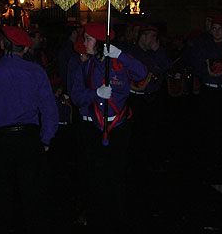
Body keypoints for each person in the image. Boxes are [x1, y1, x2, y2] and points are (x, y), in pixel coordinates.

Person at [0, 25, 58, 234]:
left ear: (2, 45)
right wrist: (46, 139)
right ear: (26, 49)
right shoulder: (36, 71)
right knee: (33, 197)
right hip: (28, 138)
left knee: (0, 198)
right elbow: (49, 110)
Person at [68, 22, 148, 231]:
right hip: (96, 127)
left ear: (101, 42)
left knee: (117, 174)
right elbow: (76, 97)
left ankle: (119, 218)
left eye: (88, 39)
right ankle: (98, 218)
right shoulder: (86, 67)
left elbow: (141, 73)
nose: (84, 43)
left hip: (120, 126)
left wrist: (120, 54)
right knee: (98, 176)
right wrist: (95, 94)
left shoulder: (119, 64)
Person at [194, 13, 222, 177]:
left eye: (220, 29)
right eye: (214, 29)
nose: (217, 32)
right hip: (209, 89)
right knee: (210, 126)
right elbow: (197, 65)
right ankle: (212, 159)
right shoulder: (204, 45)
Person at [125, 24, 170, 173]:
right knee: (134, 133)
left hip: (152, 97)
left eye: (153, 36)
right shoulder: (131, 52)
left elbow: (165, 66)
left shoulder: (156, 53)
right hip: (135, 97)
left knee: (153, 132)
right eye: (148, 35)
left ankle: (152, 163)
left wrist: (157, 50)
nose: (151, 39)